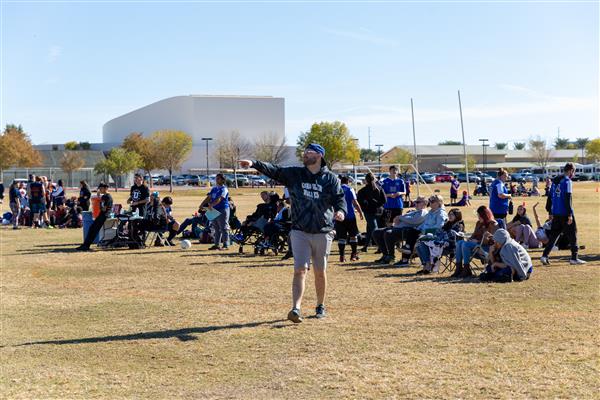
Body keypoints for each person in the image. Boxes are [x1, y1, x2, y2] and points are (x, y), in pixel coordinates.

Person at [239, 143, 346, 323]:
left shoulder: (330, 179)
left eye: (309, 153)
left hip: (323, 231)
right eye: (304, 152)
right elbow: (274, 170)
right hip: (299, 231)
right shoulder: (295, 174)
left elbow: (339, 198)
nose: (305, 155)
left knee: (320, 271)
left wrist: (341, 211)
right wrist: (254, 163)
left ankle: (320, 305)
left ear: (319, 156)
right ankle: (295, 308)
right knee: (300, 270)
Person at [541, 163, 586, 265]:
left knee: (554, 236)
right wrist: (570, 214)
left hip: (556, 213)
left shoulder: (555, 181)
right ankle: (574, 258)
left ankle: (544, 256)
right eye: (573, 172)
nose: (573, 174)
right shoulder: (567, 181)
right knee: (573, 235)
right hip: (565, 213)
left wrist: (549, 211)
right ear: (570, 171)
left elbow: (549, 198)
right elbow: (567, 198)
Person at [372, 196, 428, 265]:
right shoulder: (415, 211)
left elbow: (415, 221)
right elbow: (400, 218)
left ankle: (391, 256)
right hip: (397, 228)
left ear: (425, 203)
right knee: (376, 232)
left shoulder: (423, 212)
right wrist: (398, 218)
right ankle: (385, 254)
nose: (415, 204)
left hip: (408, 232)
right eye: (415, 202)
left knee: (388, 233)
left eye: (418, 202)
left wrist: (400, 218)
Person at [395, 194, 448, 267]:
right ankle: (407, 252)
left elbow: (439, 227)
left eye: (432, 201)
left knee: (414, 237)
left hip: (434, 234)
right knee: (412, 231)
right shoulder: (431, 212)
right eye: (430, 201)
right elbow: (424, 224)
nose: (430, 203)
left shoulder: (441, 213)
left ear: (439, 203)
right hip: (425, 232)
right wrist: (419, 228)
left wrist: (425, 231)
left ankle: (407, 259)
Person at [453, 205, 498, 278]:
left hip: (486, 248)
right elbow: (474, 234)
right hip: (476, 246)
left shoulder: (493, 224)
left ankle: (466, 269)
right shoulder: (478, 223)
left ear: (485, 215)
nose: (478, 217)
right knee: (459, 243)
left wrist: (478, 241)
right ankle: (459, 268)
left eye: (479, 216)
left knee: (465, 245)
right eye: (478, 215)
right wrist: (470, 239)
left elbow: (492, 240)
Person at [415, 208, 465, 274]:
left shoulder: (458, 225)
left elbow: (454, 239)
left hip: (449, 247)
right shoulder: (447, 224)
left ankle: (428, 266)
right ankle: (426, 265)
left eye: (452, 214)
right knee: (419, 244)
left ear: (457, 215)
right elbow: (439, 233)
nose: (450, 216)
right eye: (449, 214)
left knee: (423, 245)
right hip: (440, 244)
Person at [335, 176, 364, 262]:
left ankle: (342, 256)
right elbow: (355, 202)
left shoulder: (336, 189)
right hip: (350, 216)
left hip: (339, 216)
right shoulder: (350, 189)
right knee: (353, 236)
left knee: (341, 237)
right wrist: (360, 212)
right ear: (348, 182)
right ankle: (354, 255)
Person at [76, 183, 112, 251]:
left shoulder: (108, 197)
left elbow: (104, 208)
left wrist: (101, 206)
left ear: (105, 188)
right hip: (101, 214)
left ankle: (86, 245)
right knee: (92, 229)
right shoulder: (104, 196)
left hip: (104, 215)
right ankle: (85, 245)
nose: (100, 190)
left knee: (93, 230)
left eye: (101, 188)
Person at [356, 172, 386, 252]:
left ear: (366, 180)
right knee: (369, 228)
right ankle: (366, 246)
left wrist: (367, 206)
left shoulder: (362, 191)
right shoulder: (380, 188)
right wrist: (377, 204)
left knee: (374, 229)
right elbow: (384, 200)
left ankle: (381, 247)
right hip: (379, 211)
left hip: (369, 212)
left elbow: (361, 202)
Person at [201, 173, 230, 250]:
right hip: (213, 210)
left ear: (223, 180)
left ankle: (226, 245)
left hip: (223, 209)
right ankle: (216, 245)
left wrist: (211, 205)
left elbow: (219, 199)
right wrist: (202, 204)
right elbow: (209, 197)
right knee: (216, 228)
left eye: (218, 178)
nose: (216, 180)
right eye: (216, 178)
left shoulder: (224, 189)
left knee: (223, 227)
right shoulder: (214, 188)